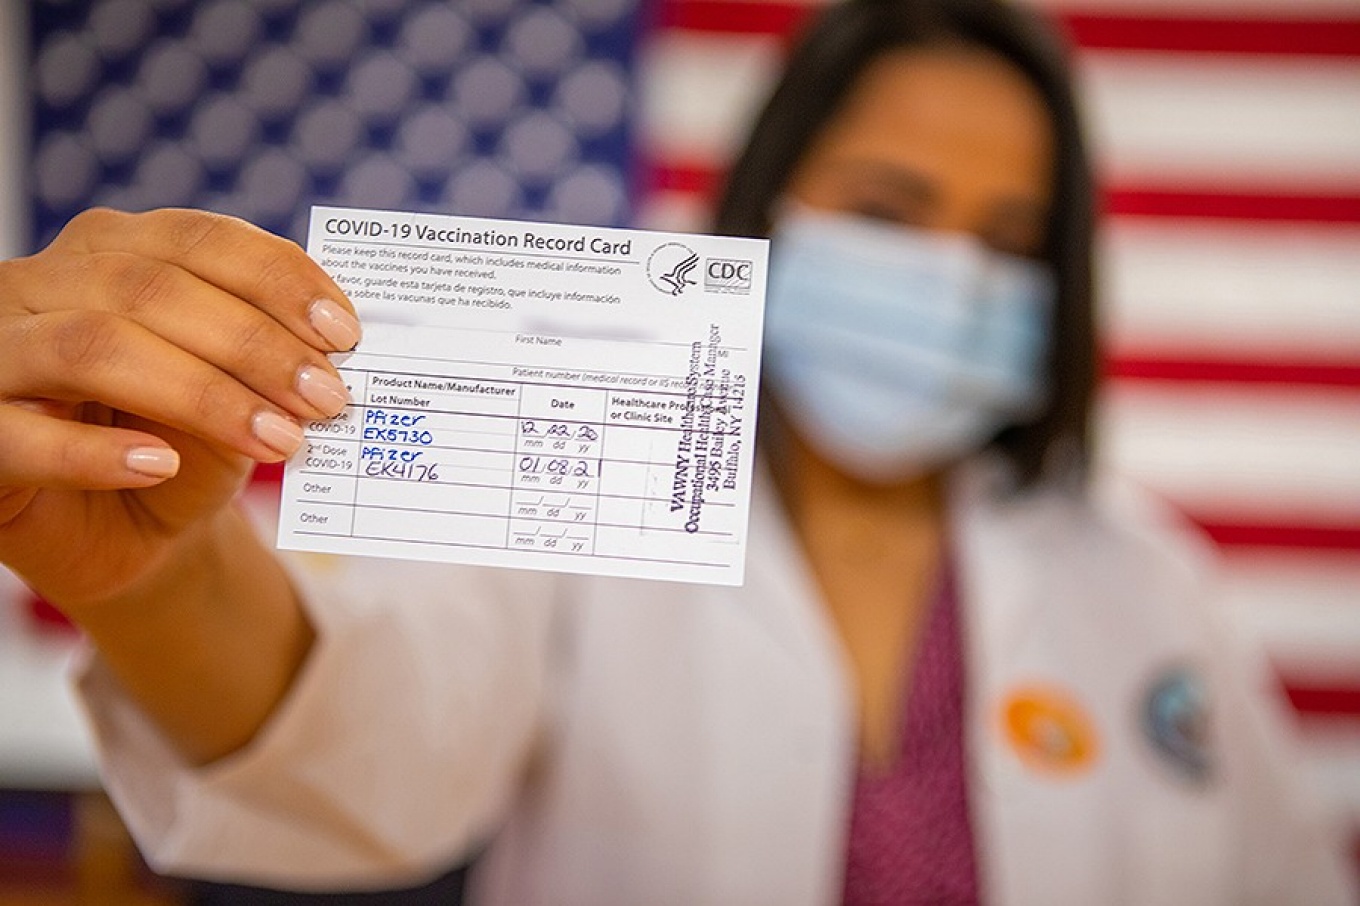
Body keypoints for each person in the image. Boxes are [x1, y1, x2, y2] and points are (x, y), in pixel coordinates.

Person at [0, 0, 1352, 902]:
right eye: (891, 209)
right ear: (772, 203)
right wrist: (157, 576)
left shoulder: (1147, 578)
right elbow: (366, 740)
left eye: (1006, 242)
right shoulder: (579, 497)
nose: (949, 272)